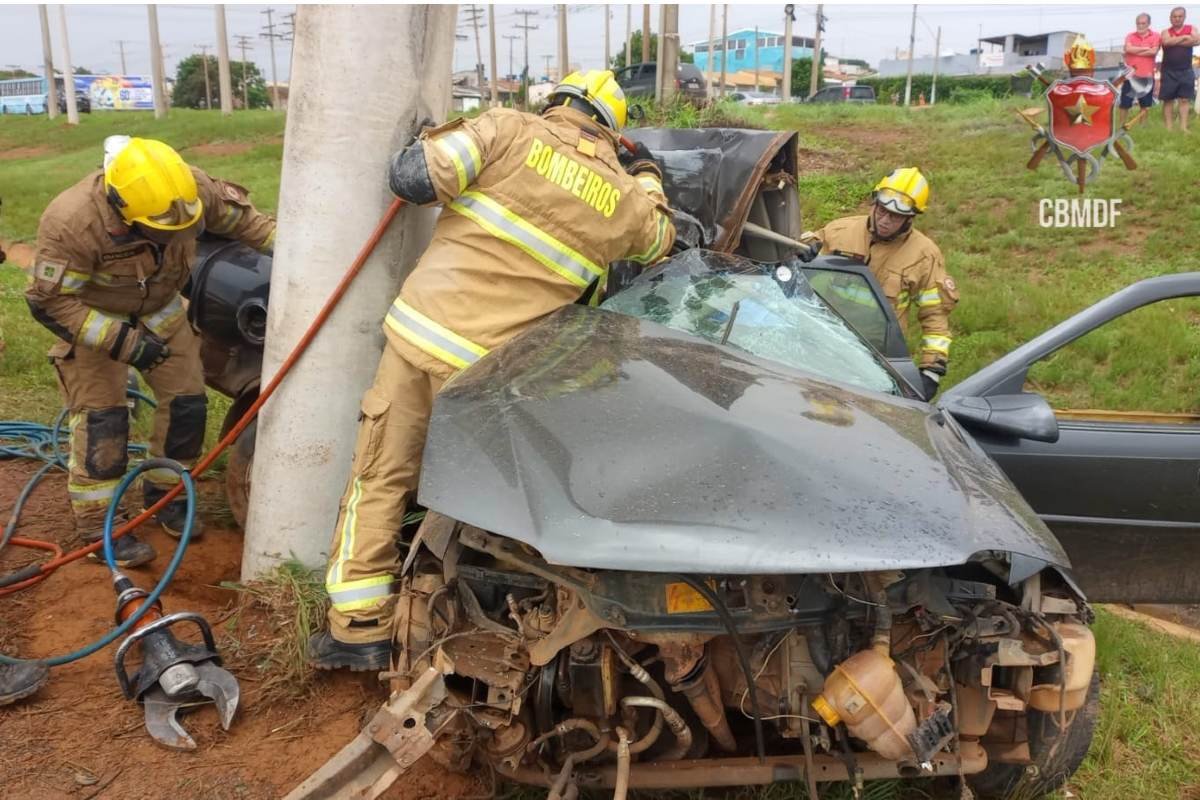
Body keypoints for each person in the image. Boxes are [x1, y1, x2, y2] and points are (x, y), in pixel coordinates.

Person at [307, 70, 676, 671]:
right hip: (496, 377)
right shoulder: (627, 198)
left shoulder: (507, 129)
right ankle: (493, 630)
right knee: (491, 507)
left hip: (420, 340)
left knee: (380, 475)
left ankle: (360, 628)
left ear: (556, 103)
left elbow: (411, 176)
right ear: (611, 132)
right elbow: (661, 239)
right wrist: (648, 176)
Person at [25, 137, 276, 567]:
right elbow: (49, 302)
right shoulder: (72, 222)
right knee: (104, 422)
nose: (176, 234)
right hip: (93, 321)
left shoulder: (187, 191)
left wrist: (306, 259)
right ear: (122, 207)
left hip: (160, 311)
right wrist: (125, 344)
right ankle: (101, 525)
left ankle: (166, 497)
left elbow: (252, 226)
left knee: (188, 407)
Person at [807, 168, 957, 401]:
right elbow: (793, 256)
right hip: (825, 338)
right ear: (874, 203)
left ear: (911, 218)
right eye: (882, 210)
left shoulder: (924, 256)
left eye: (895, 217)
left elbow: (935, 316)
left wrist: (931, 370)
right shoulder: (840, 231)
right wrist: (804, 249)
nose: (885, 221)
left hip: (876, 357)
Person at [1161, 6, 1199, 132]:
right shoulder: (1165, 31)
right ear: (1170, 18)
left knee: (1184, 99)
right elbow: (1166, 42)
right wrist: (1184, 38)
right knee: (1168, 100)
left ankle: (1183, 127)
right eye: (1174, 16)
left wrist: (1175, 40)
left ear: (1184, 17)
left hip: (1186, 70)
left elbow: (1196, 40)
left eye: (1180, 16)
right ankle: (1169, 128)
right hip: (1168, 71)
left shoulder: (1192, 28)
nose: (1177, 19)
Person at [1122, 15, 1161, 126]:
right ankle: (1121, 127)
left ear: (1149, 24)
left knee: (1144, 105)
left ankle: (1142, 126)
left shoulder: (1156, 36)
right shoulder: (1130, 36)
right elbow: (1128, 49)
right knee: (1124, 104)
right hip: (1130, 75)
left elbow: (1154, 52)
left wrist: (1135, 50)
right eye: (1138, 23)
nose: (1140, 25)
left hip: (1146, 76)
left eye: (1143, 23)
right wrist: (1146, 49)